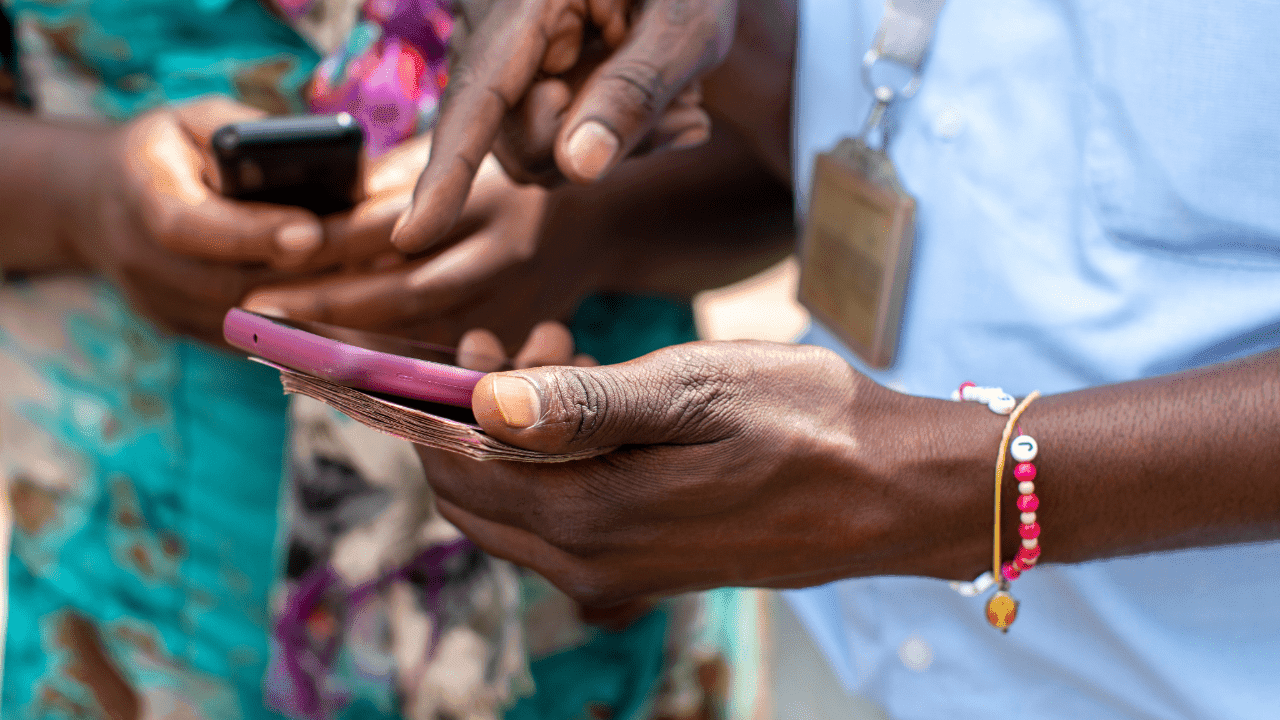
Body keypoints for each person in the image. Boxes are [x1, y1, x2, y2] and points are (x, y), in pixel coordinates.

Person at [393, 0, 1280, 717]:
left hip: (1181, 682)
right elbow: (874, 113)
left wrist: (943, 488)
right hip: (848, 654)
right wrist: (731, 30)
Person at [0, 0, 789, 717]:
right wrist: (84, 199)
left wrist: (590, 220)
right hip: (135, 608)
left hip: (596, 595)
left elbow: (847, 144)